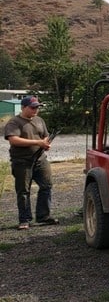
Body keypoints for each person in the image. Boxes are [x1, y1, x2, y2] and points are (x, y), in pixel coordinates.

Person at [3, 96, 57, 230]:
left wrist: (45, 143)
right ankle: (24, 220)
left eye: (37, 107)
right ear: (23, 107)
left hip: (40, 160)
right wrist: (38, 142)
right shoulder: (14, 122)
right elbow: (13, 140)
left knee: (47, 185)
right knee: (23, 191)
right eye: (33, 107)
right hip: (22, 162)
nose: (36, 110)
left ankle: (43, 216)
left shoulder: (39, 120)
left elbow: (45, 135)